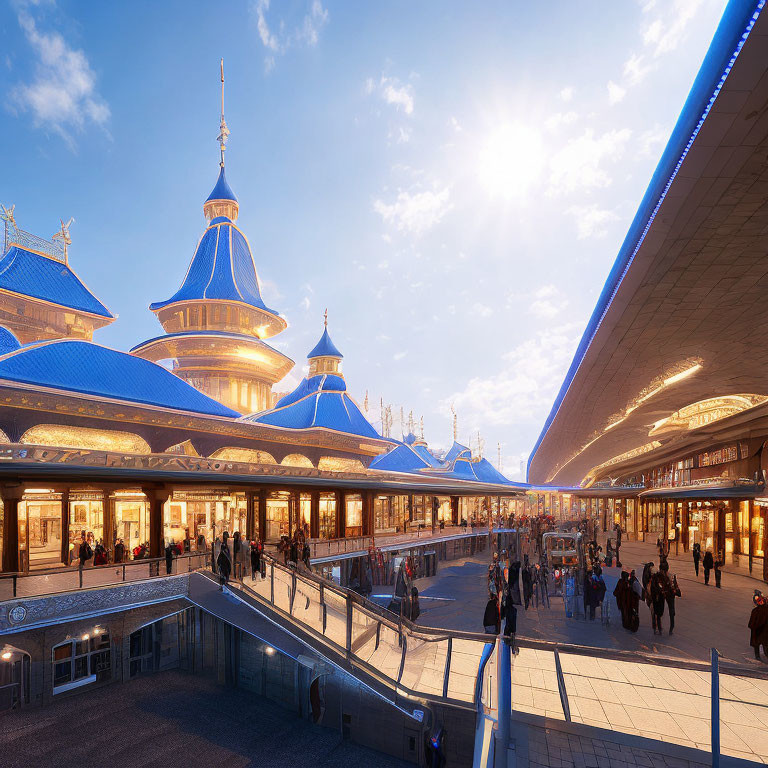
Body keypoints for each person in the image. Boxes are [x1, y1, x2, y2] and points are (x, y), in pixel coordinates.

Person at [748, 591, 768, 661]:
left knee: (756, 645)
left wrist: (753, 626)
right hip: (765, 632)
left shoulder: (755, 611)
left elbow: (751, 623)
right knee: (766, 646)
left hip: (757, 632)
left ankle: (758, 657)